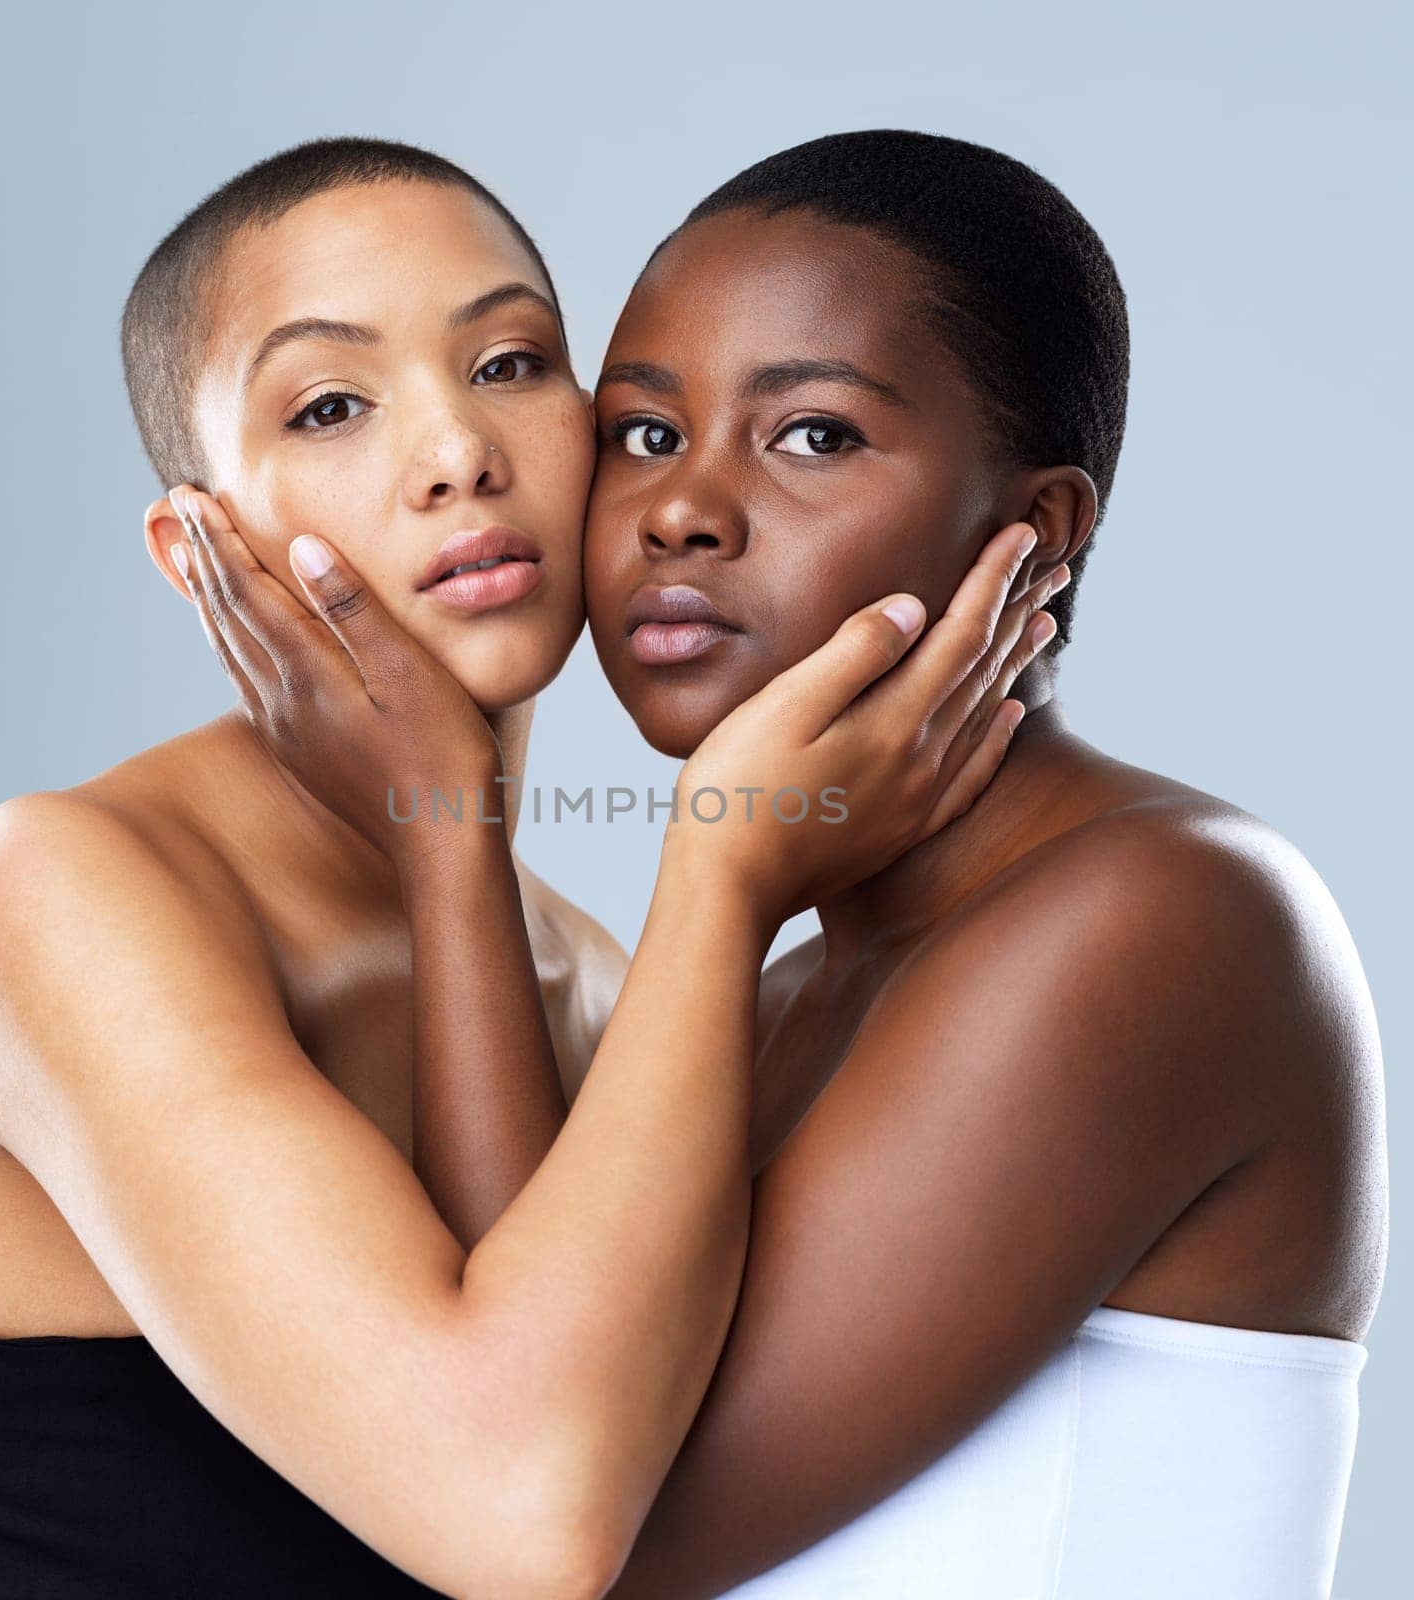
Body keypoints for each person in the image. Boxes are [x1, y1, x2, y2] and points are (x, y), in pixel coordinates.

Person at [192, 132, 1387, 1598]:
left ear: (1042, 531)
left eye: (811, 433)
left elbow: (569, 1531)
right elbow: (527, 1391)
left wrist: (711, 877)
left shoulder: (1164, 916)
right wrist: (449, 826)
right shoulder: (777, 993)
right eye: (641, 434)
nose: (680, 510)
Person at [0, 138, 1047, 1600]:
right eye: (334, 404)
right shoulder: (63, 893)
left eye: (509, 364)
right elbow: (524, 1527)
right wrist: (727, 874)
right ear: (197, 551)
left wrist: (489, 847)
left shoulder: (604, 984)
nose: (458, 456)